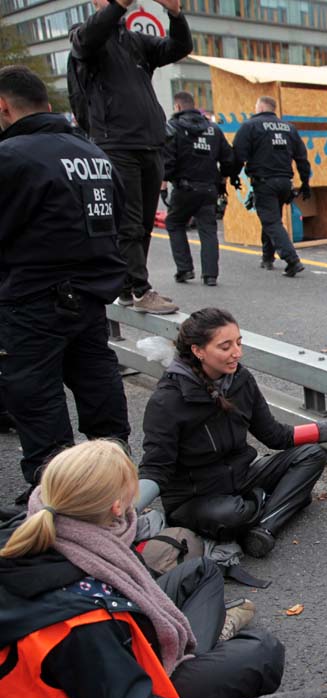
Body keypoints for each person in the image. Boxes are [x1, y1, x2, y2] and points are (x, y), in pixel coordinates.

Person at [0, 440, 285, 698]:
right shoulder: (78, 620)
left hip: (95, 666)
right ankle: (204, 648)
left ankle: (196, 646)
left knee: (202, 570)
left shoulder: (32, 529)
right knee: (263, 653)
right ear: (117, 507)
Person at [0, 65, 131, 504]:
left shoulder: (11, 157)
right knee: (96, 381)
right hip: (91, 297)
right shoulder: (93, 153)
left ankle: (57, 491)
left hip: (32, 298)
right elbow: (119, 217)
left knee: (36, 395)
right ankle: (114, 473)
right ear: (48, 104)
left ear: (4, 107)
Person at [139, 308, 327, 558]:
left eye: (239, 343)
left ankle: (263, 529)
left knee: (313, 455)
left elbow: (274, 436)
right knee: (230, 516)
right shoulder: (168, 400)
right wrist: (127, 511)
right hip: (196, 498)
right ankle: (277, 503)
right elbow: (155, 468)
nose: (236, 353)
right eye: (225, 347)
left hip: (242, 477)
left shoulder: (240, 379)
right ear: (198, 350)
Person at [67, 0, 189, 315]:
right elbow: (90, 37)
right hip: (116, 143)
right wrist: (118, 6)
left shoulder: (134, 41)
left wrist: (175, 14)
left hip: (149, 142)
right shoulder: (84, 38)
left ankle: (127, 286)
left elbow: (178, 47)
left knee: (145, 221)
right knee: (129, 222)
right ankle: (139, 288)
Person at [162, 90, 237, 287]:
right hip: (209, 188)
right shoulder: (213, 129)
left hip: (184, 188)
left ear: (177, 107)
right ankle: (210, 275)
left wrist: (164, 182)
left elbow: (166, 162)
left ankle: (185, 269)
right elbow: (229, 159)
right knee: (208, 230)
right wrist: (222, 180)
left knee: (174, 223)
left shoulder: (173, 127)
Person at [232, 95, 311, 277]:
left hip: (264, 181)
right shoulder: (289, 128)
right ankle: (267, 257)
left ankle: (292, 260)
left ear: (259, 108)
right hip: (285, 183)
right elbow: (301, 157)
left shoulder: (250, 126)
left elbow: (238, 155)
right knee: (272, 217)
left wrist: (232, 176)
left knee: (271, 221)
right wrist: (305, 182)